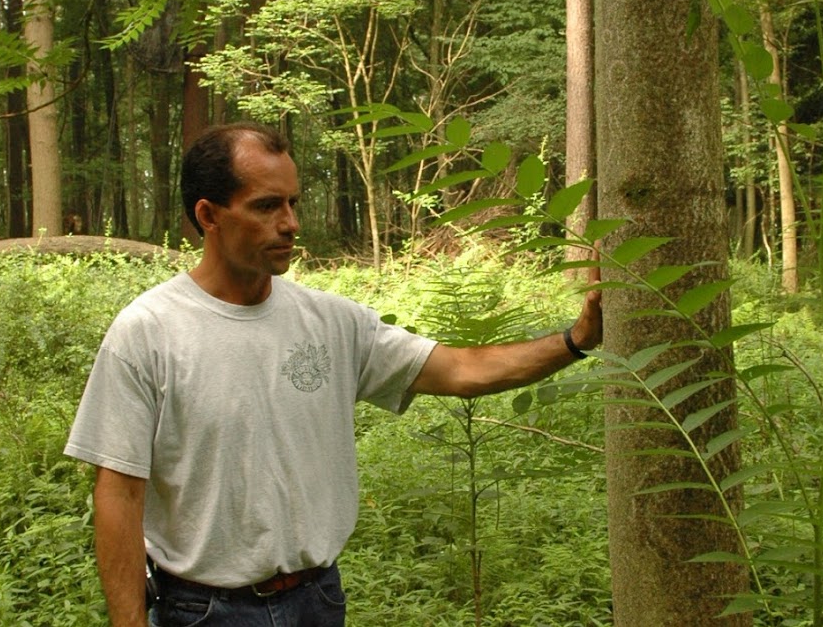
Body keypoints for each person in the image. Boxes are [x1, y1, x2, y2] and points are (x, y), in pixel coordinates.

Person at [64, 122, 603, 627]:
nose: (291, 223)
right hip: (203, 609)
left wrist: (575, 339)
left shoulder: (331, 322)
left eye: (293, 203)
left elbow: (462, 369)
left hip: (318, 600)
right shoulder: (149, 331)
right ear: (208, 215)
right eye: (267, 205)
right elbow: (118, 496)